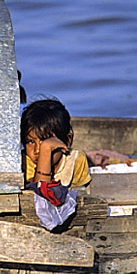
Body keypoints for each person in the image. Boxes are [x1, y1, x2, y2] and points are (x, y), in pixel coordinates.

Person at [20, 98, 91, 231]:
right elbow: (40, 193)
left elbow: (82, 196)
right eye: (30, 142)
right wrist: (46, 151)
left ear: (67, 141)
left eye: (45, 142)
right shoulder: (24, 163)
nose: (36, 151)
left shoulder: (75, 160)